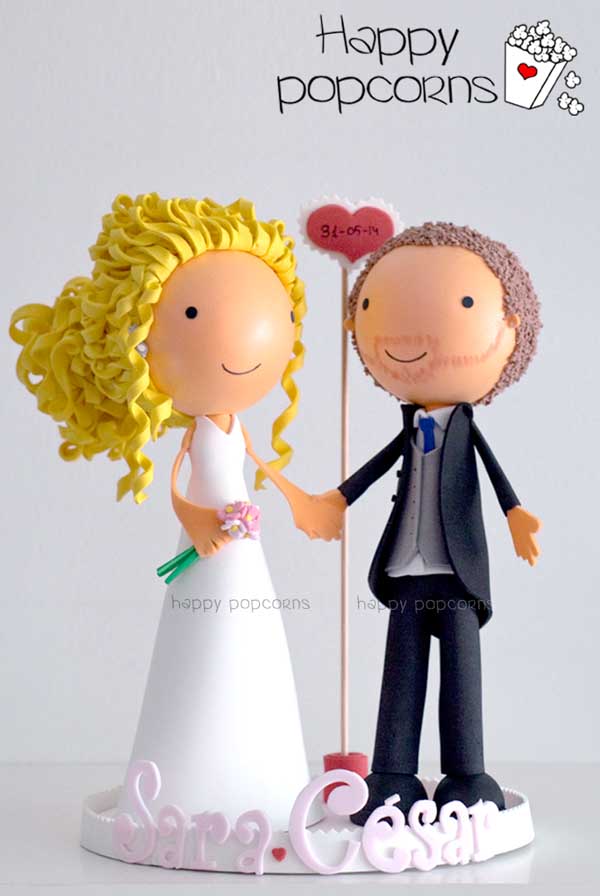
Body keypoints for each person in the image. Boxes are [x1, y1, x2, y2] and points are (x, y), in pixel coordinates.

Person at [9, 193, 339, 829]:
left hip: (244, 553)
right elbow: (178, 483)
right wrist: (195, 521)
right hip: (212, 548)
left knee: (252, 644)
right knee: (203, 647)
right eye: (191, 312)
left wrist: (303, 502)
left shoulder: (235, 423)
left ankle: (266, 782)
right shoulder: (197, 432)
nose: (247, 336)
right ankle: (185, 789)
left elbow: (259, 465)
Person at [306, 222, 543, 823]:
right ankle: (392, 774)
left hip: (457, 578)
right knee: (401, 674)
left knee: (462, 678)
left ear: (510, 330)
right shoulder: (409, 429)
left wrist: (515, 515)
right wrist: (335, 500)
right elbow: (371, 471)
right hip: (407, 574)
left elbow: (494, 475)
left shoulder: (464, 429)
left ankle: (467, 774)